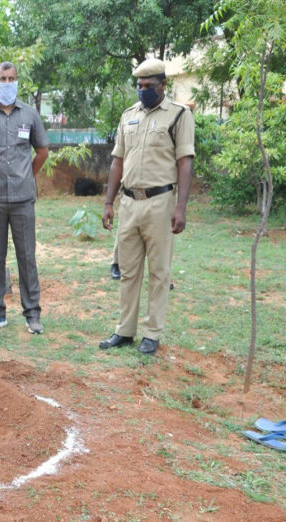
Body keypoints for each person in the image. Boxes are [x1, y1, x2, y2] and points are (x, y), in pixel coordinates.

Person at [99, 58, 194, 355]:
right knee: (128, 271)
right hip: (129, 203)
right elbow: (117, 161)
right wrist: (108, 202)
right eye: (139, 86)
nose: (143, 91)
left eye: (148, 86)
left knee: (159, 271)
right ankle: (125, 331)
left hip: (160, 203)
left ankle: (152, 333)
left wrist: (181, 208)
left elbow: (185, 162)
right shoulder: (129, 115)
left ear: (162, 85)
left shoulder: (178, 116)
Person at [0, 61, 49, 334]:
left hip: (22, 199)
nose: (7, 83)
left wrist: (27, 175)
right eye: (3, 78)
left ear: (18, 81)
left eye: (12, 78)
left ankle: (32, 314)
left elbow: (42, 151)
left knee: (27, 256)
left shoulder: (29, 115)